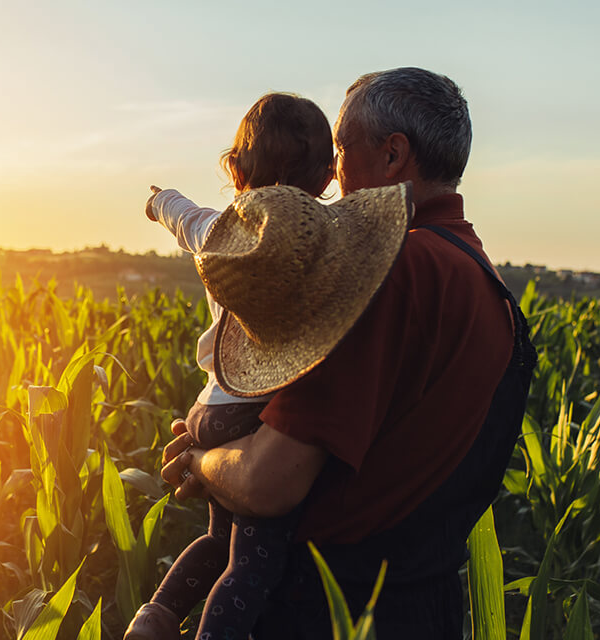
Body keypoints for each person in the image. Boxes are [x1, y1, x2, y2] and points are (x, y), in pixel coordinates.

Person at [159, 67, 537, 639]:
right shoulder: (487, 285)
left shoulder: (388, 277)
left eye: (341, 147)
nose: (332, 172)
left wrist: (201, 464)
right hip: (424, 607)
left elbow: (269, 482)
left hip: (333, 607)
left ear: (392, 157)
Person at [124, 92, 341, 640]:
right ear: (326, 177)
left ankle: (156, 615)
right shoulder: (320, 247)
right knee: (254, 561)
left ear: (237, 171)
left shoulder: (217, 230)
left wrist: (159, 201)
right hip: (253, 414)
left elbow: (181, 215)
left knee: (219, 541)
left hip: (210, 407)